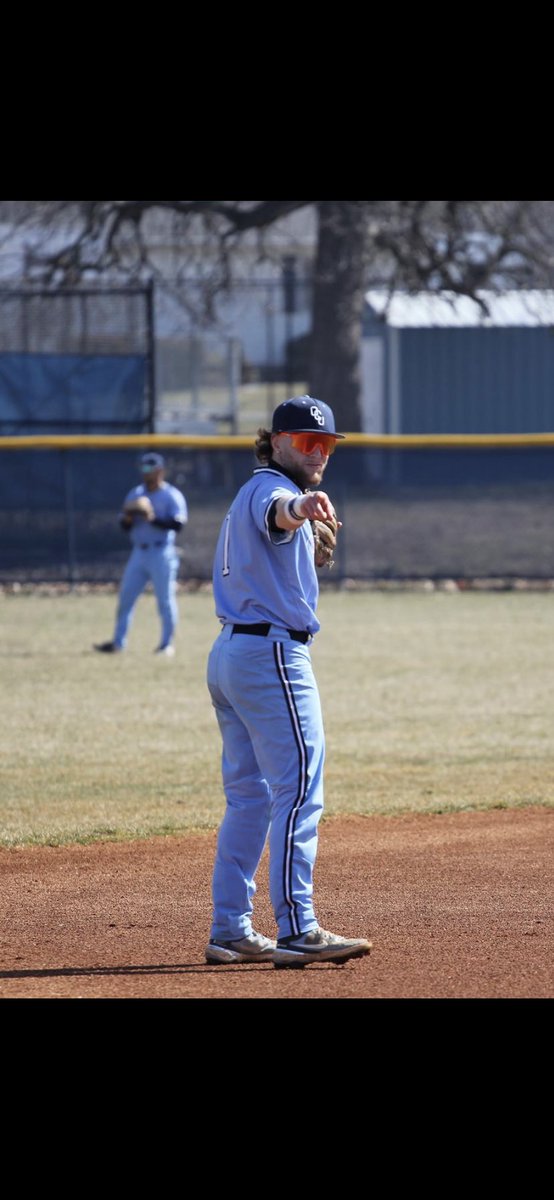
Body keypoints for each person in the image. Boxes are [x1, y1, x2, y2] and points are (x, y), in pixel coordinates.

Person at [205, 394, 372, 968]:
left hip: (234, 654)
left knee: (249, 799)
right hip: (271, 656)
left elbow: (280, 524)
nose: (319, 451)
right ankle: (298, 928)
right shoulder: (269, 489)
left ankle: (230, 928)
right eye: (307, 441)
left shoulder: (256, 491)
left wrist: (300, 526)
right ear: (276, 442)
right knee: (299, 790)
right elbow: (281, 509)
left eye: (325, 443)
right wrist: (302, 510)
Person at [94, 451, 188, 657]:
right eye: (144, 469)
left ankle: (166, 645)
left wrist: (151, 517)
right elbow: (124, 526)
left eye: (151, 469)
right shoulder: (135, 494)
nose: (147, 473)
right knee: (126, 598)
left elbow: (177, 524)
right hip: (139, 552)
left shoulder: (171, 495)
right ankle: (118, 643)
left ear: (160, 471)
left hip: (162, 551)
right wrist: (129, 516)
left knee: (165, 600)